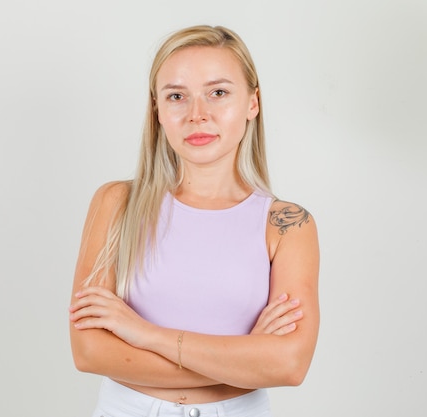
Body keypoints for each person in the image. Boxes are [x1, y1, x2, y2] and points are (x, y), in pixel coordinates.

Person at [68, 25, 319, 417]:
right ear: (158, 111)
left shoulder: (287, 224)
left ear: (253, 103)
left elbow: (289, 364)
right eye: (177, 97)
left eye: (218, 93)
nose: (197, 115)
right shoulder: (117, 203)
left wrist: (144, 335)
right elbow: (89, 351)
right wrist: (244, 360)